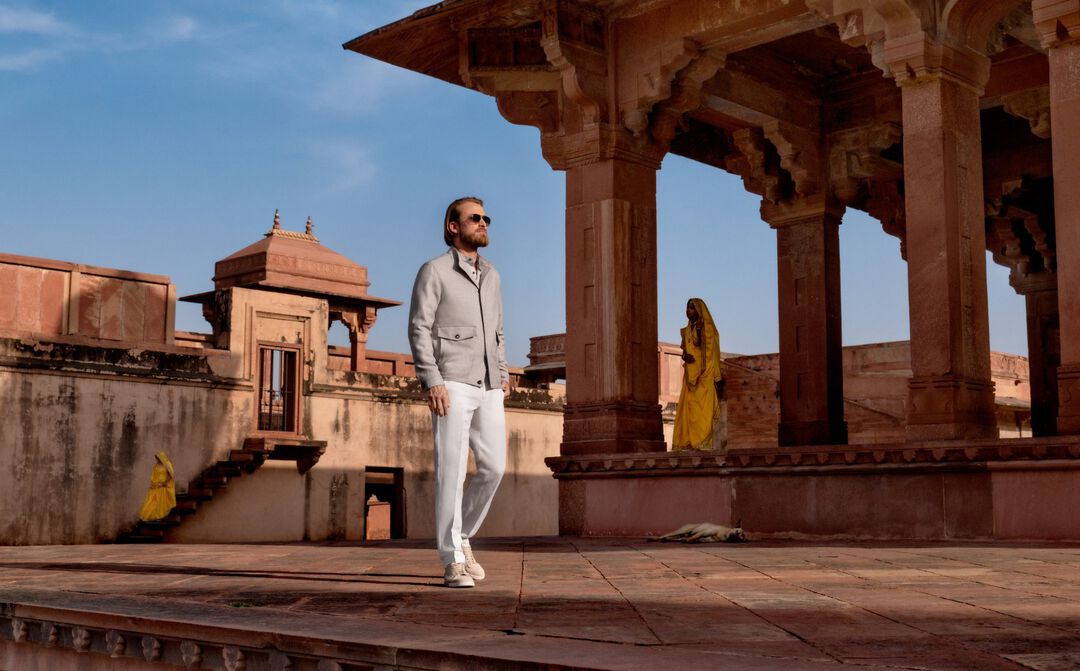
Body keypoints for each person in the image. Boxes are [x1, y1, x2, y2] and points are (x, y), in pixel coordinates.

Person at [408, 196, 509, 588]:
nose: (483, 223)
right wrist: (431, 379)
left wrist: (502, 372)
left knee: (494, 467)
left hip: (489, 384)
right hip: (450, 380)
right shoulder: (434, 271)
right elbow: (419, 327)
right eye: (474, 218)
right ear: (454, 226)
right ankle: (452, 559)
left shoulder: (493, 275)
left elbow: (498, 331)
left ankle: (462, 535)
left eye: (486, 218)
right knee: (450, 472)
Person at [672, 298, 725, 451]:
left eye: (692, 308)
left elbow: (711, 352)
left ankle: (703, 444)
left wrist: (717, 377)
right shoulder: (686, 330)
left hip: (705, 375)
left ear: (699, 310)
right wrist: (685, 357)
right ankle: (689, 443)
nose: (688, 311)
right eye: (687, 308)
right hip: (690, 376)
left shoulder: (707, 329)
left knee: (703, 413)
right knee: (688, 411)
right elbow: (685, 351)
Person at [137, 451, 176, 521]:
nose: (157, 459)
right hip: (156, 485)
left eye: (158, 458)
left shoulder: (167, 464)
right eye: (157, 458)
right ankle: (150, 515)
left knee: (160, 502)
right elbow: (153, 475)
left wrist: (165, 482)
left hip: (163, 486)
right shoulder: (156, 465)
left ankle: (159, 516)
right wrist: (153, 483)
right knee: (151, 501)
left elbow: (171, 475)